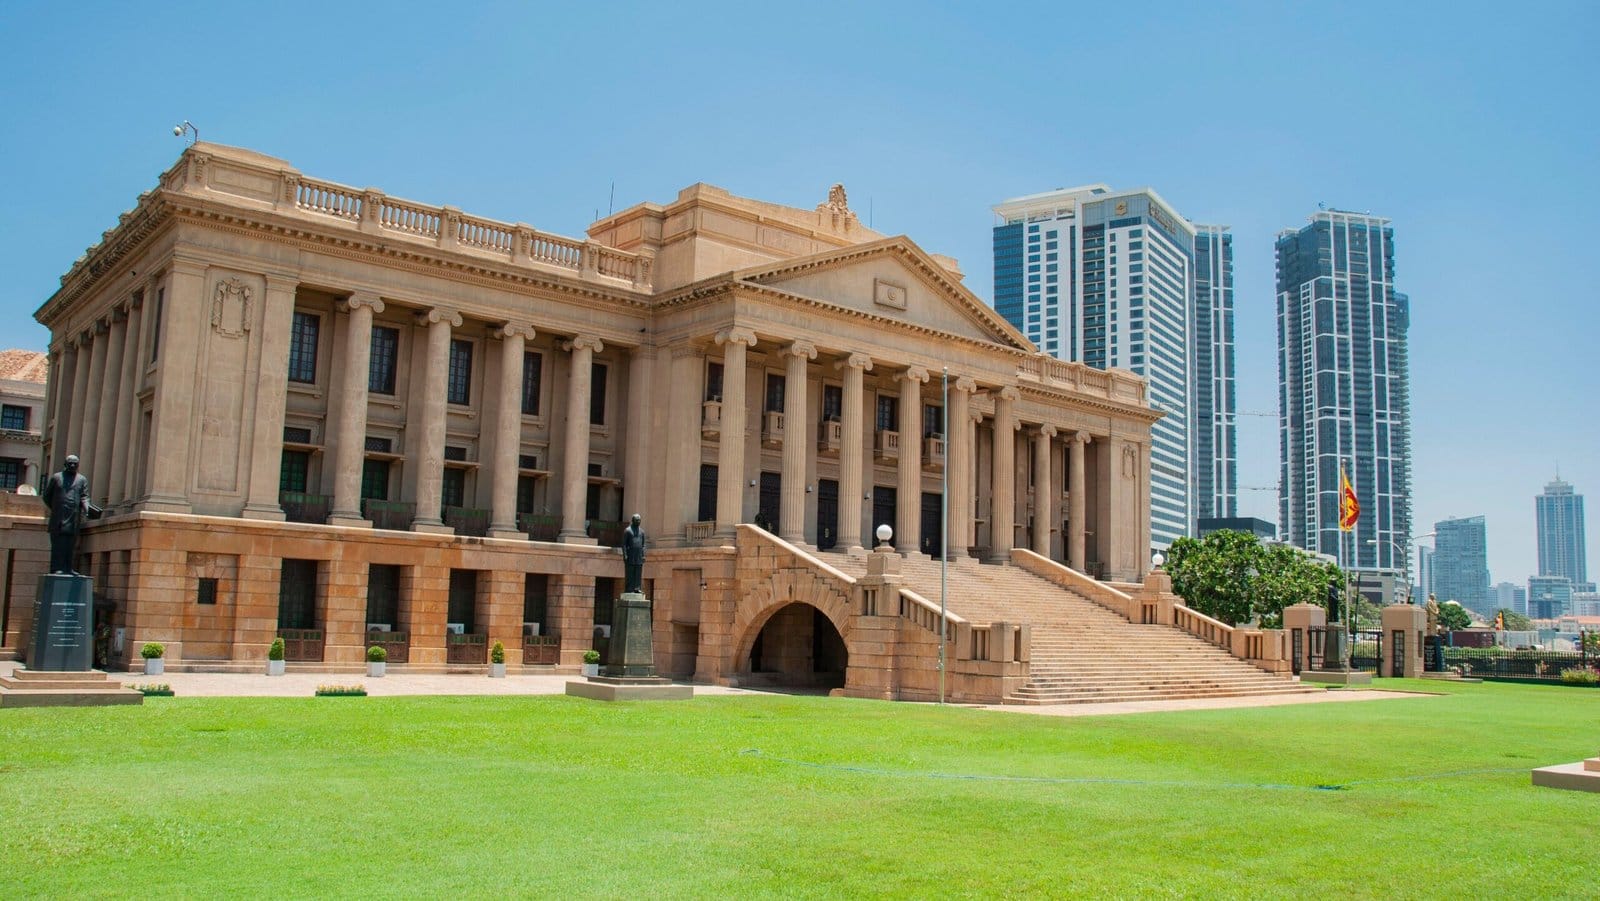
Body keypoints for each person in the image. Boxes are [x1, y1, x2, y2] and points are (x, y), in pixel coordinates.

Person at [42, 454, 92, 574]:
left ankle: (69, 568)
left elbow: (84, 497)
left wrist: (87, 508)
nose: (73, 465)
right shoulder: (56, 478)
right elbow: (46, 496)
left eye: (75, 464)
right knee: (58, 546)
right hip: (58, 518)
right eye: (70, 463)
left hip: (73, 518)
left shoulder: (81, 479)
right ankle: (56, 567)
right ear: (65, 464)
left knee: (71, 545)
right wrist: (56, 508)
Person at [621, 513, 646, 594]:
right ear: (633, 520)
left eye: (639, 520)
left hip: (639, 555)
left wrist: (643, 555)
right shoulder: (628, 530)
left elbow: (643, 545)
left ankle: (637, 588)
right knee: (630, 572)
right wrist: (625, 555)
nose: (638, 521)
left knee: (638, 572)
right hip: (630, 555)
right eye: (637, 520)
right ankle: (629, 589)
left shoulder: (642, 532)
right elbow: (624, 544)